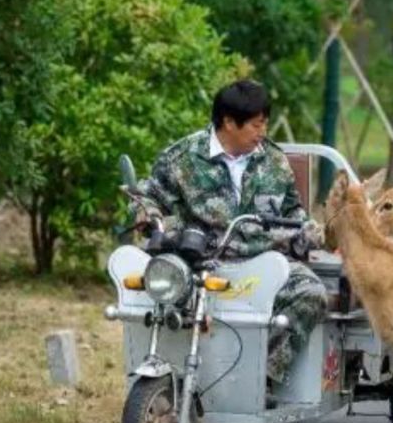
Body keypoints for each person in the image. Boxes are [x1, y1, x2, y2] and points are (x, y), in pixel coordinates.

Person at [131, 80, 327, 386]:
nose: (262, 132)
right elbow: (146, 195)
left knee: (311, 293)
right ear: (228, 122)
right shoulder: (182, 158)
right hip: (202, 262)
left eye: (264, 124)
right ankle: (172, 377)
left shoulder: (274, 162)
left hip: (262, 262)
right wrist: (150, 217)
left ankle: (259, 379)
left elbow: (293, 214)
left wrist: (310, 233)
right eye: (256, 125)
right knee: (156, 291)